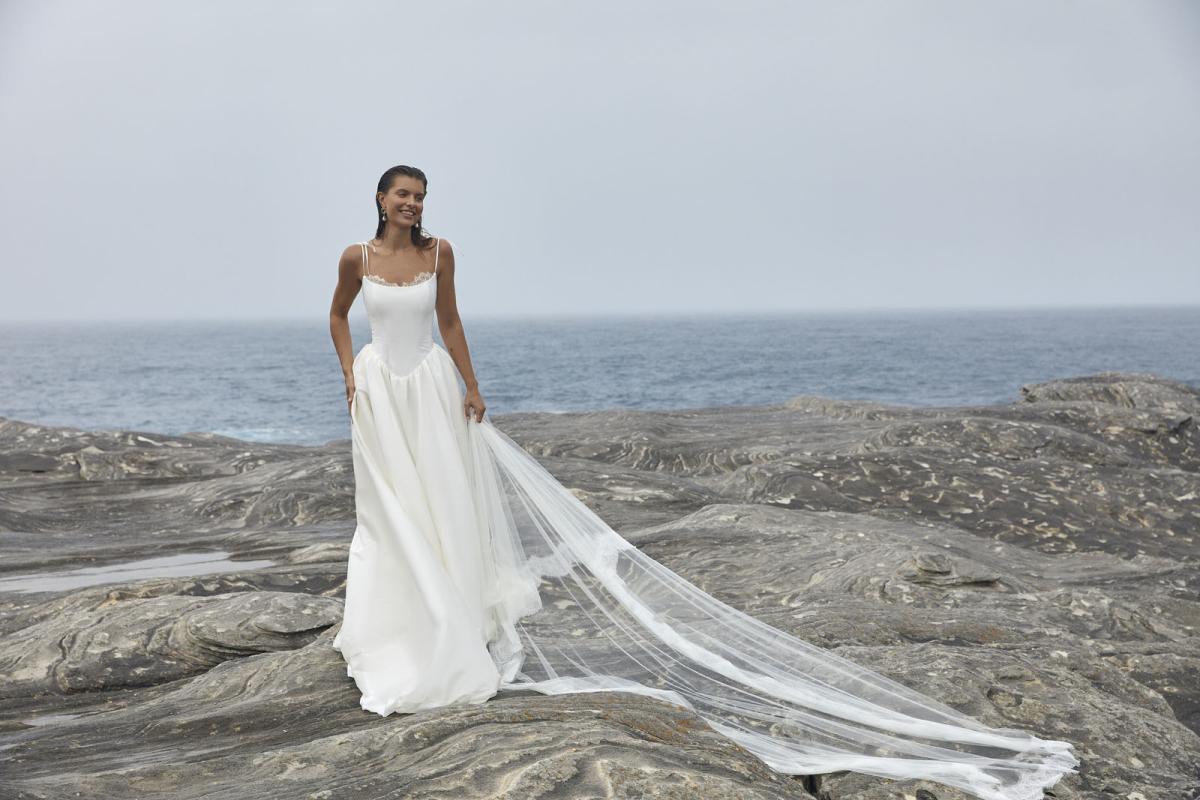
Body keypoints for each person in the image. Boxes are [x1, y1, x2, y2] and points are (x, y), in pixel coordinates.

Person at [327, 165, 1079, 800]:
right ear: (380, 200)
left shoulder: (442, 253)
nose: (413, 205)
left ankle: (450, 622)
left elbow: (451, 322)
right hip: (381, 393)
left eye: (421, 195)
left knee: (445, 507)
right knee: (391, 512)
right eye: (403, 195)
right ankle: (403, 624)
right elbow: (336, 317)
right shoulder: (357, 258)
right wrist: (348, 377)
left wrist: (471, 382)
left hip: (429, 387)